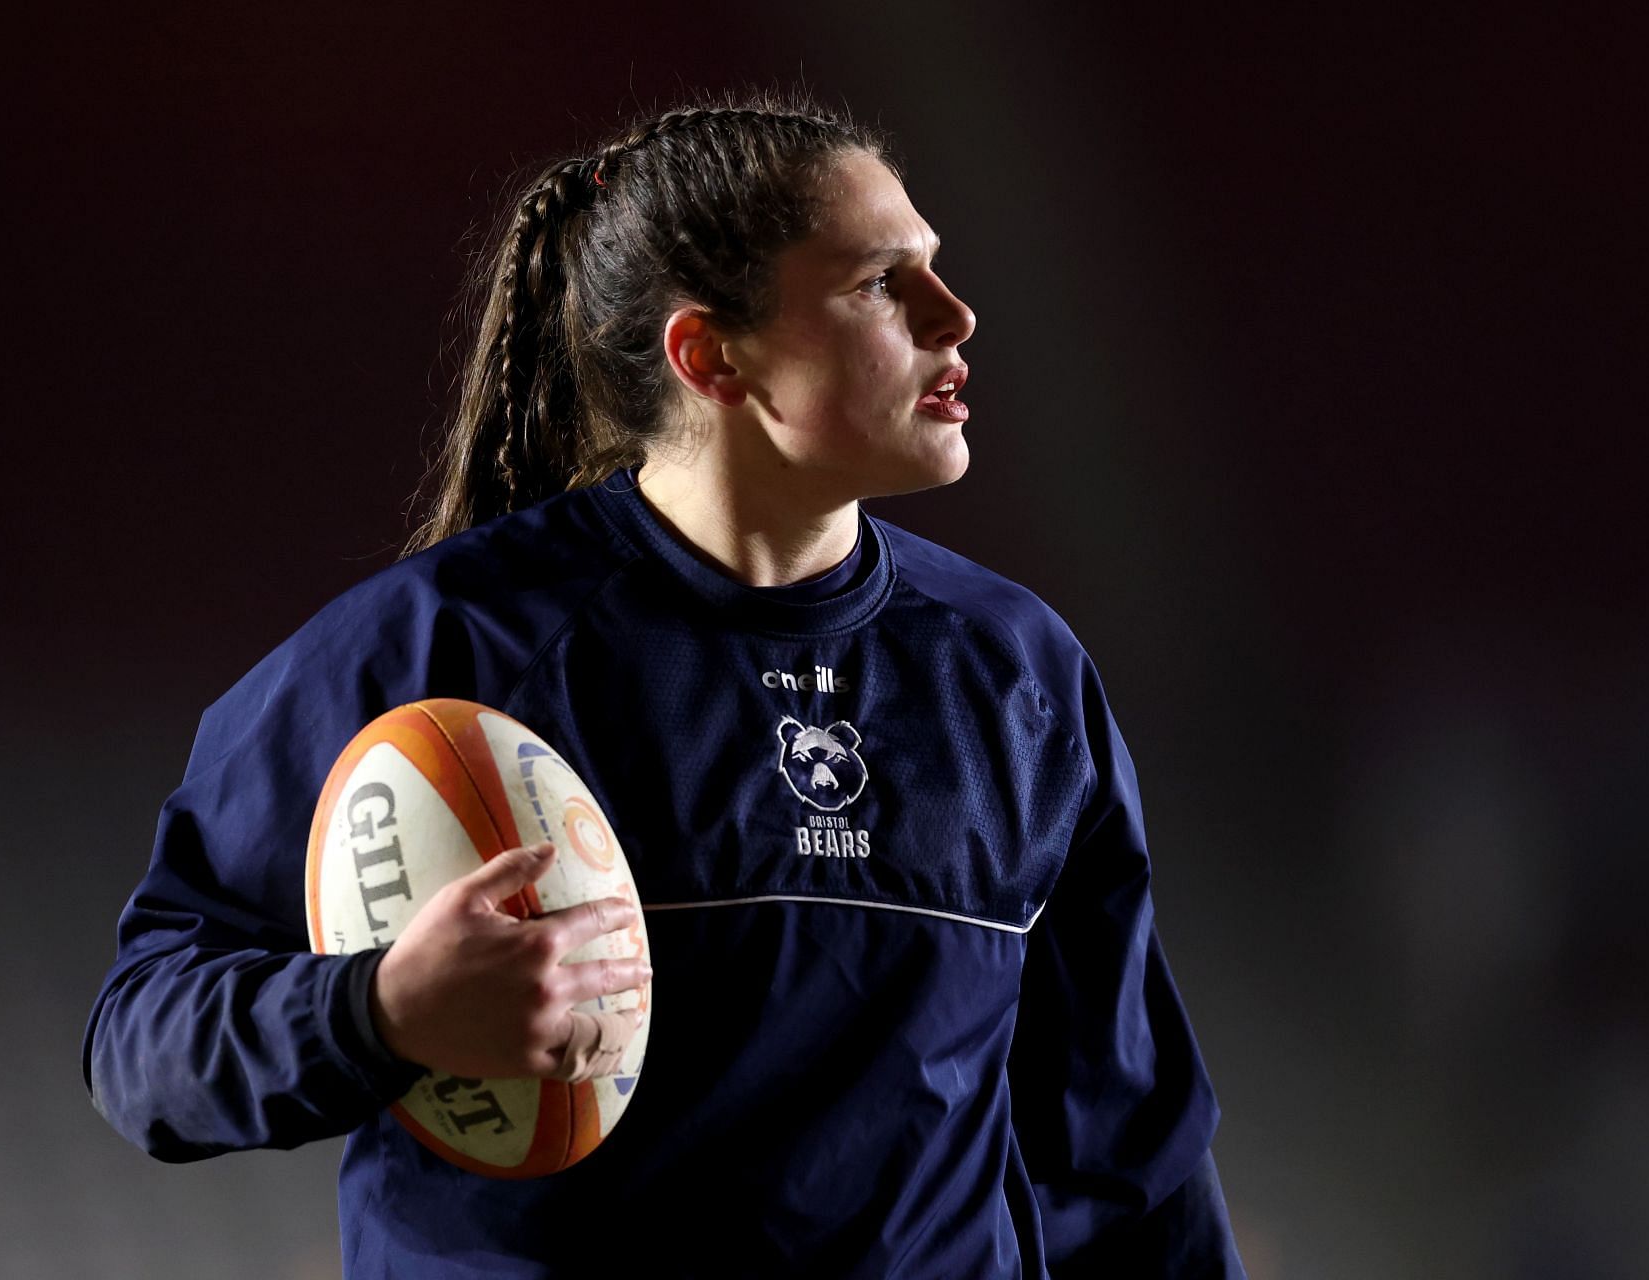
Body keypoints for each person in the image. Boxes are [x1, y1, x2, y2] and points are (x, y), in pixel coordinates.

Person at [82, 87, 1246, 1278]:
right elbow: (142, 1041)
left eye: (933, 270)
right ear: (710, 355)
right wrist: (380, 1011)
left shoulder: (1018, 672)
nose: (956, 316)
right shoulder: (443, 654)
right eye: (878, 284)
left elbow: (1131, 1154)